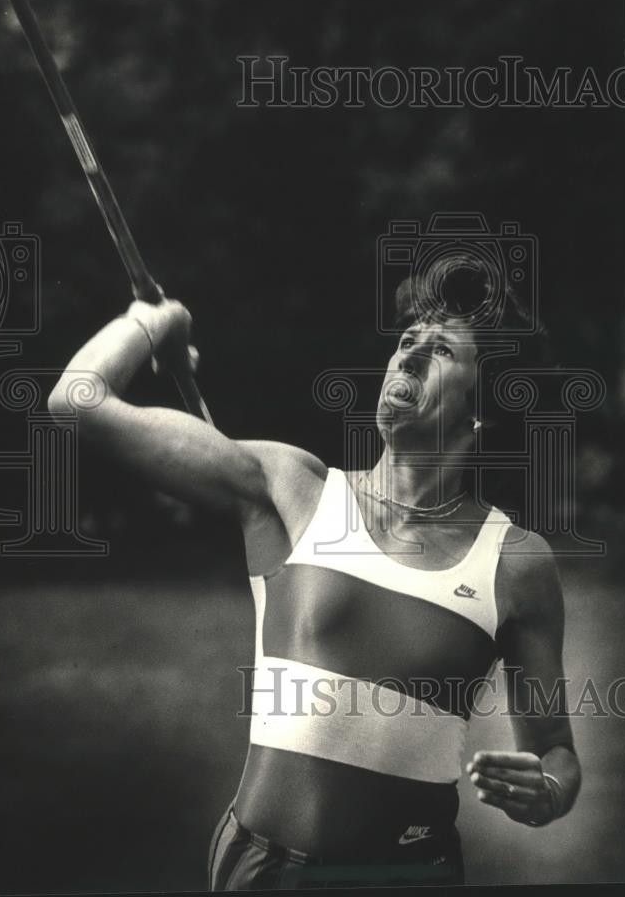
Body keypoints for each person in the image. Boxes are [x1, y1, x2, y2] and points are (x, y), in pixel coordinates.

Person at [47, 260, 581, 889]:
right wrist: (153, 321)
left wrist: (548, 790)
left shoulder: (516, 561)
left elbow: (556, 750)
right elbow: (75, 402)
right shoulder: (292, 487)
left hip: (414, 876)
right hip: (262, 871)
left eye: (440, 350)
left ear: (483, 408)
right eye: (406, 340)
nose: (407, 356)